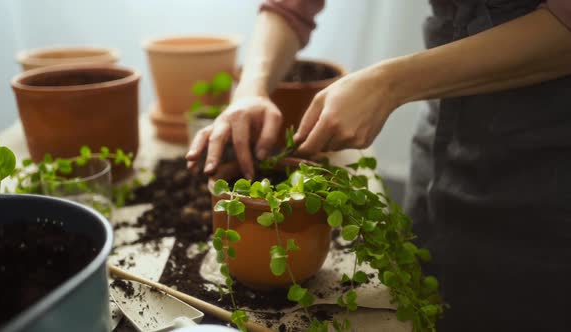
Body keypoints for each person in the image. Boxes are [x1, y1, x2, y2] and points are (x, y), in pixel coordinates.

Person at [187, 0, 571, 330]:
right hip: (446, 130)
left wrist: (389, 83)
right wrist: (251, 88)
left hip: (546, 160)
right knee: (427, 294)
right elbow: (291, 6)